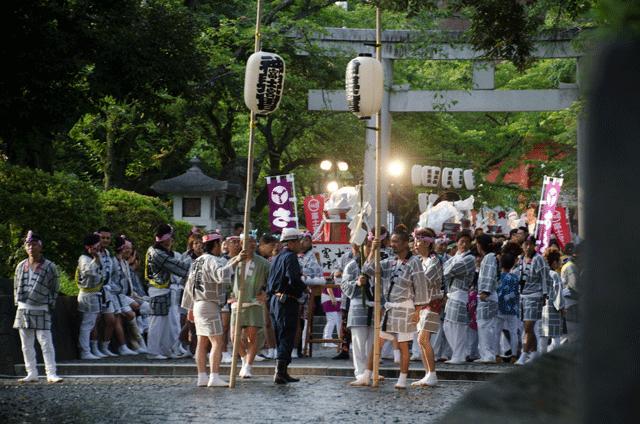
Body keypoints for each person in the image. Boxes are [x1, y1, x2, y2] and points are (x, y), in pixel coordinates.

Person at [362, 227, 428, 389]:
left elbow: (421, 288)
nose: (393, 244)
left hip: (406, 308)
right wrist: (373, 250)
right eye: (391, 241)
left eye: (396, 241)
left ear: (405, 243)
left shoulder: (414, 262)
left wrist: (418, 311)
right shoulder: (390, 261)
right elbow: (368, 270)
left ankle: (402, 379)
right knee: (377, 342)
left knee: (404, 345)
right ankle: (366, 375)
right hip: (390, 309)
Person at [181, 231, 243, 387]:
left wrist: (189, 308)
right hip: (208, 303)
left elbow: (188, 286)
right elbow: (221, 275)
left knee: (202, 342)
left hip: (197, 304)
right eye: (220, 243)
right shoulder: (212, 260)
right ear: (215, 244)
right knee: (217, 341)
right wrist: (236, 261)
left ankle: (202, 376)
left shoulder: (197, 261)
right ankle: (214, 376)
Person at [13, 231, 62, 383]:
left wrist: (50, 303)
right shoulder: (21, 265)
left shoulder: (50, 266)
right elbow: (16, 285)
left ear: (40, 247)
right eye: (28, 245)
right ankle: (31, 372)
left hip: (41, 306)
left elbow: (55, 287)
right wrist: (17, 302)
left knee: (45, 342)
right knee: (26, 344)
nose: (31, 247)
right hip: (23, 307)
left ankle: (51, 373)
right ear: (25, 247)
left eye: (34, 244)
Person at [266, 228, 307, 384]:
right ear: (291, 243)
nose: (301, 244)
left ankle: (282, 371)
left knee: (281, 335)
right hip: (286, 300)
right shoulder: (290, 256)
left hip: (275, 300)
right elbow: (293, 279)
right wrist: (304, 288)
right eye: (298, 241)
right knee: (286, 335)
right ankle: (280, 372)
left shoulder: (277, 257)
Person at [145, 224, 191, 359]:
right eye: (170, 237)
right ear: (165, 239)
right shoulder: (157, 253)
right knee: (157, 322)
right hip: (158, 290)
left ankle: (166, 350)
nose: (172, 240)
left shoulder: (158, 251)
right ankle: (153, 351)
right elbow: (177, 266)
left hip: (164, 290)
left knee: (167, 323)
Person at [230, 233, 270, 379]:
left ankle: (248, 366)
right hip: (237, 303)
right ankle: (243, 358)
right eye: (248, 241)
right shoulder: (234, 261)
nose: (252, 244)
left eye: (254, 241)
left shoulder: (263, 263)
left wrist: (266, 293)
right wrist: (228, 295)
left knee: (252, 337)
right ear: (241, 243)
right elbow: (224, 278)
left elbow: (273, 281)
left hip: (254, 303)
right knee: (234, 336)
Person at [411, 227, 444, 387]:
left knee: (423, 339)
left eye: (417, 241)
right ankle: (428, 374)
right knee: (421, 341)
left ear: (426, 243)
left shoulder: (434, 261)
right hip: (422, 305)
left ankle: (432, 374)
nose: (415, 244)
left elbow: (424, 281)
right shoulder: (419, 261)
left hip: (432, 303)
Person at [341, 243, 374, 383]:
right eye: (369, 246)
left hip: (375, 306)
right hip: (358, 306)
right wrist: (357, 283)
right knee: (359, 343)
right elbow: (344, 285)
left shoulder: (381, 264)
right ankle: (360, 372)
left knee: (373, 344)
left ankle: (371, 370)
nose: (371, 250)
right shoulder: (352, 265)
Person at [442, 230, 476, 364]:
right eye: (462, 242)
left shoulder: (470, 258)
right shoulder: (455, 257)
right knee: (448, 325)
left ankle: (459, 355)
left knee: (458, 326)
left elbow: (449, 271)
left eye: (467, 242)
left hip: (460, 294)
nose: (464, 245)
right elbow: (445, 270)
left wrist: (448, 268)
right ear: (457, 243)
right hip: (451, 295)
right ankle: (458, 353)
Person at [515, 236, 550, 365]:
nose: (528, 247)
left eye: (530, 244)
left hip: (535, 296)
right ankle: (534, 353)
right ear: (522, 245)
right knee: (528, 327)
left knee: (528, 327)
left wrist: (545, 295)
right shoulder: (520, 259)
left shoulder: (538, 259)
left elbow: (545, 277)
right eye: (526, 244)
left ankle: (524, 355)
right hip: (523, 296)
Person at [110, 235, 142, 355]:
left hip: (123, 295)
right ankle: (130, 345)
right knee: (129, 314)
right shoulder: (113, 261)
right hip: (114, 295)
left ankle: (138, 343)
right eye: (125, 248)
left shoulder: (124, 262)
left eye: (129, 248)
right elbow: (110, 280)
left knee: (137, 310)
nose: (127, 250)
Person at [76, 233, 106, 360]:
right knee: (87, 324)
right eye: (96, 245)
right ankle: (85, 351)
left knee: (92, 323)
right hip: (87, 294)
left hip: (95, 294)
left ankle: (89, 349)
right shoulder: (84, 258)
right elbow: (89, 272)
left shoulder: (96, 256)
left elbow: (102, 271)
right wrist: (95, 258)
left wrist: (96, 257)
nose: (98, 247)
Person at [474, 234, 501, 364]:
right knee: (485, 326)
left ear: (480, 245)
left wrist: (485, 291)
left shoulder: (489, 257)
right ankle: (486, 354)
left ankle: (488, 355)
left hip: (487, 295)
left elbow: (490, 275)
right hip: (487, 295)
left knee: (486, 326)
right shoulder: (489, 257)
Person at [96, 227, 118, 357]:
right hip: (96, 291)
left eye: (108, 238)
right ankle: (93, 348)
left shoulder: (108, 254)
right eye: (102, 237)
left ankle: (105, 347)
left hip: (107, 291)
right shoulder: (93, 252)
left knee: (111, 320)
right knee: (96, 320)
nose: (105, 240)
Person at [496, 251, 521, 363]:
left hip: (499, 307)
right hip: (512, 308)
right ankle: (514, 356)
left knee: (497, 332)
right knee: (513, 332)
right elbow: (516, 293)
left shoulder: (498, 277)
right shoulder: (515, 278)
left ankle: (497, 355)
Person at [540, 248, 565, 353]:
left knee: (543, 338)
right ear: (554, 262)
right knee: (556, 336)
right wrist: (561, 308)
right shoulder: (554, 275)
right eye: (559, 261)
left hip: (542, 309)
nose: (560, 263)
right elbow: (558, 294)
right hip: (553, 309)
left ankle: (541, 358)